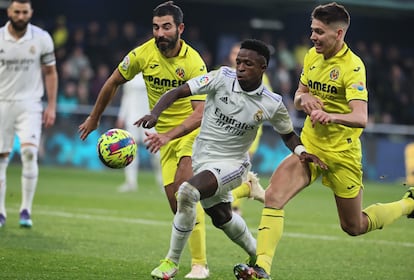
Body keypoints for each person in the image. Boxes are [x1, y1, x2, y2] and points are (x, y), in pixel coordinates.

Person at [233, 3, 414, 280]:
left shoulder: (353, 67)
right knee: (274, 197)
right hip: (310, 146)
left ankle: (408, 204)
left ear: (339, 33)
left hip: (342, 155)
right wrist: (303, 99)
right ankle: (262, 269)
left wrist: (330, 115)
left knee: (354, 226)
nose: (313, 37)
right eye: (312, 30)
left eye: (319, 32)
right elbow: (298, 95)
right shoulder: (311, 57)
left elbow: (361, 117)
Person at [136, 38, 327, 280]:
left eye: (248, 63)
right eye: (239, 62)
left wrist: (301, 152)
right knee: (222, 217)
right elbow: (179, 91)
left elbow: (288, 135)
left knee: (186, 192)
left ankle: (170, 262)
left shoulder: (272, 103)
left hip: (234, 165)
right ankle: (257, 255)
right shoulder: (221, 78)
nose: (241, 67)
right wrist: (155, 113)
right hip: (202, 159)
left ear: (262, 68)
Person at [79, 2, 211, 278]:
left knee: (185, 194)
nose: (160, 33)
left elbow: (199, 114)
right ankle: (237, 189)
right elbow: (113, 81)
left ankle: (198, 264)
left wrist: (168, 134)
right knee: (178, 207)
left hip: (191, 134)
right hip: (162, 139)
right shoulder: (143, 54)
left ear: (180, 29)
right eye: (155, 27)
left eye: (166, 27)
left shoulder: (194, 62)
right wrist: (95, 117)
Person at [0, 0, 58, 228]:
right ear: (9, 12)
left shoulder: (42, 38)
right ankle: (1, 211)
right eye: (17, 12)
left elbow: (51, 72)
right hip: (2, 103)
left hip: (30, 104)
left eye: (25, 12)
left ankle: (26, 209)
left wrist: (51, 105)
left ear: (31, 13)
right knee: (2, 159)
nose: (21, 16)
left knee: (29, 153)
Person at [225, 42, 272, 216]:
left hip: (249, 131)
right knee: (232, 170)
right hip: (228, 130)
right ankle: (236, 202)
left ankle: (234, 207)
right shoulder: (226, 74)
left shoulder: (260, 76)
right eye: (233, 53)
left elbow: (268, 102)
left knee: (238, 169)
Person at [115, 73, 163, 192]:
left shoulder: (154, 74)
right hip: (132, 118)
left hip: (149, 119)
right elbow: (126, 98)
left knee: (156, 152)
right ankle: (130, 182)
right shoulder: (130, 77)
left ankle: (163, 182)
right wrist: (122, 116)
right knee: (129, 152)